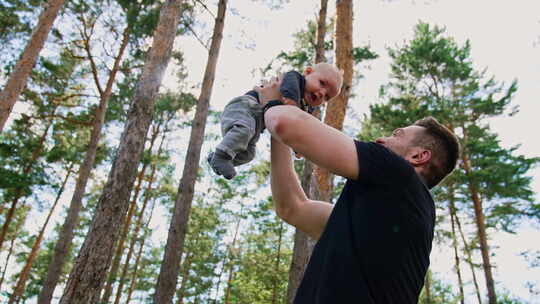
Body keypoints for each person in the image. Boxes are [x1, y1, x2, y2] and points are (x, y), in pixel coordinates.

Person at [254, 79, 460, 304]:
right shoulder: (384, 218)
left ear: (418, 156)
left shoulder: (399, 173)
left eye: (397, 134)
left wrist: (274, 101)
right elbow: (292, 207)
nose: (382, 139)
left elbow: (284, 122)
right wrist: (278, 117)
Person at [207, 63, 343, 179]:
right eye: (322, 83)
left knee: (249, 154)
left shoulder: (307, 108)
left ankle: (219, 158)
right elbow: (289, 92)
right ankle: (222, 156)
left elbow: (298, 129)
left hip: (256, 125)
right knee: (243, 130)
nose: (321, 93)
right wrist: (291, 105)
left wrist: (299, 147)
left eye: (326, 97)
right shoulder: (295, 78)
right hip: (246, 107)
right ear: (307, 72)